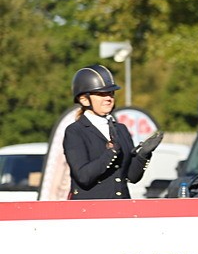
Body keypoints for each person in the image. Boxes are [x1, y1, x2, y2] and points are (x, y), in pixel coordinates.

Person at [63, 65, 163, 200]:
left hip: (121, 206)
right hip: (91, 209)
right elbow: (83, 177)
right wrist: (111, 153)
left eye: (110, 93)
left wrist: (143, 155)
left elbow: (132, 177)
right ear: (84, 99)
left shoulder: (121, 129)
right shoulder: (75, 131)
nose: (108, 98)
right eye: (101, 94)